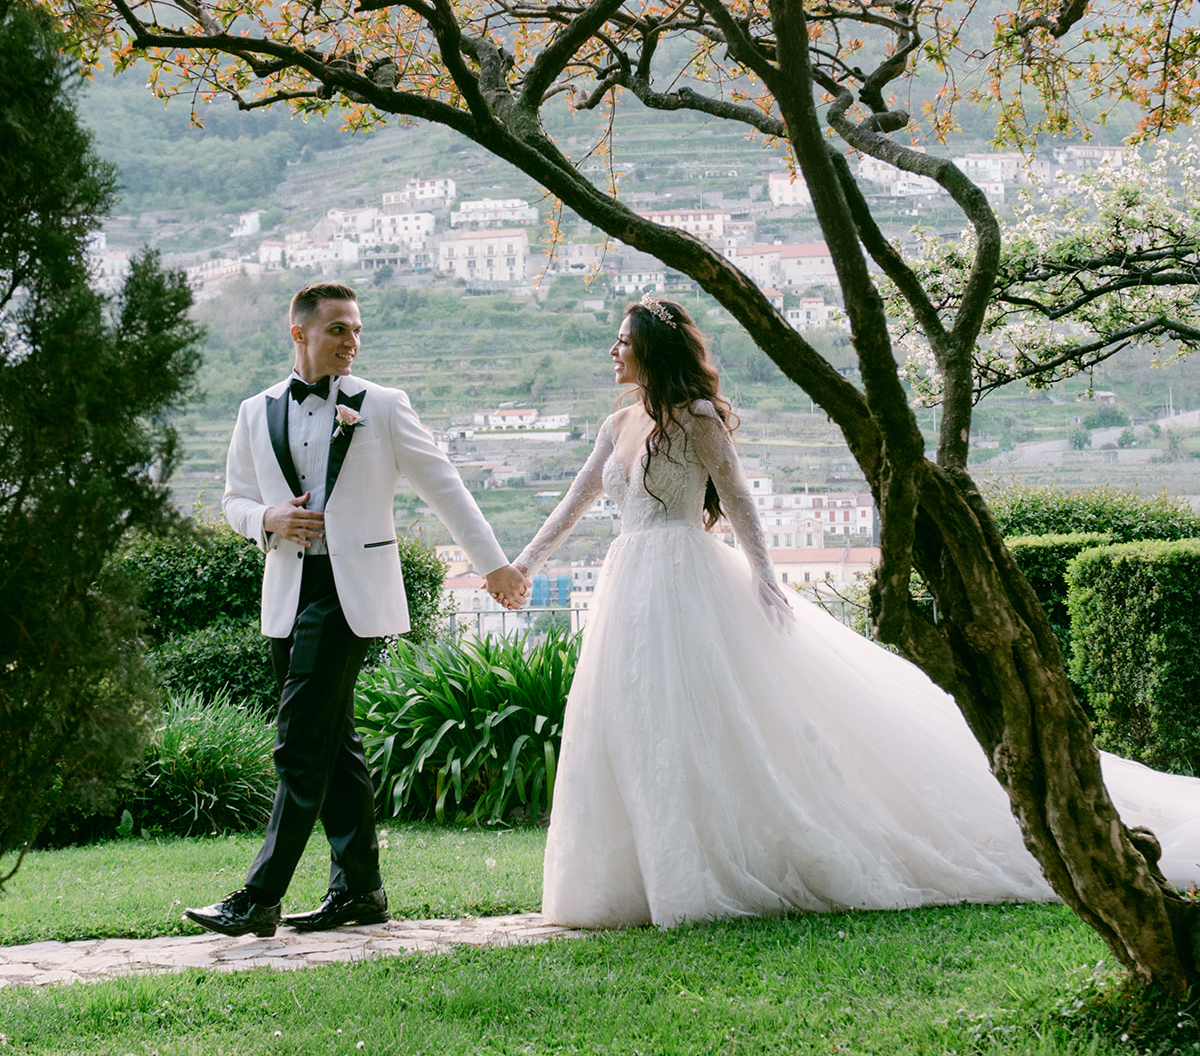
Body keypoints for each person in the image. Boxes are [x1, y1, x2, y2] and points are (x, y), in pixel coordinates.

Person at [513, 294, 1200, 929]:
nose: (612, 350)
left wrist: (764, 576)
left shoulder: (696, 420)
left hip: (687, 578)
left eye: (622, 340)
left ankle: (696, 871)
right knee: (633, 720)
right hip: (629, 584)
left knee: (693, 720)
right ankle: (628, 879)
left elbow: (740, 499)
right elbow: (573, 504)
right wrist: (523, 565)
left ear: (651, 351)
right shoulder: (615, 424)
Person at [186, 281, 528, 938]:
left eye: (357, 330)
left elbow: (445, 487)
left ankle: (259, 897)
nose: (352, 341)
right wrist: (267, 517)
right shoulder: (255, 410)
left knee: (299, 741)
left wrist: (494, 566)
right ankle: (360, 891)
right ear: (300, 333)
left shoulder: (385, 406)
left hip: (350, 596)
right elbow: (233, 499)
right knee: (335, 745)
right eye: (339, 329)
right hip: (289, 594)